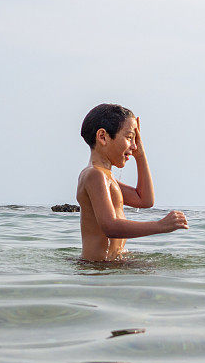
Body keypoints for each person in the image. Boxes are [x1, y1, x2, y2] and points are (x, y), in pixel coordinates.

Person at [76, 103, 188, 261]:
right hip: (97, 268)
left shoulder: (106, 177)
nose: (134, 146)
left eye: (135, 140)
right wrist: (160, 226)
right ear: (102, 137)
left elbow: (145, 200)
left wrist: (140, 155)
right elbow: (110, 226)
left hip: (109, 266)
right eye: (129, 138)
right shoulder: (94, 175)